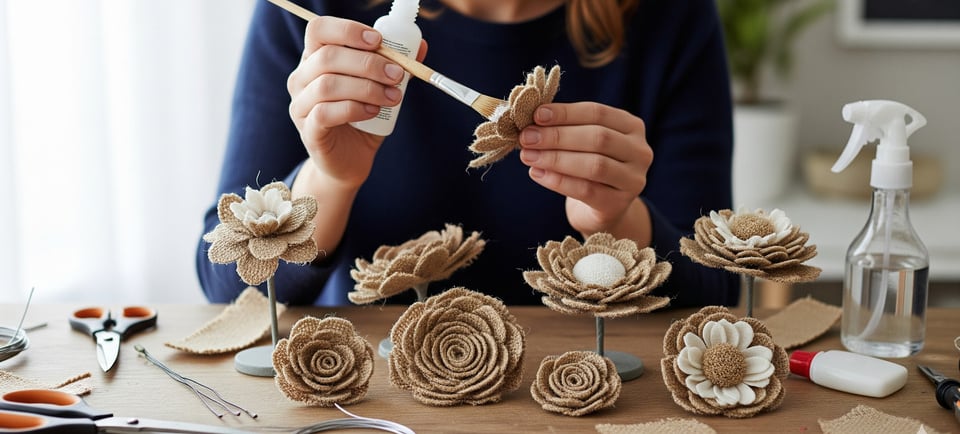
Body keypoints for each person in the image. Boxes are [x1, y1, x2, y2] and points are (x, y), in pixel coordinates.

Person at [197, 0, 739, 307]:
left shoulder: (673, 17)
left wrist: (619, 220)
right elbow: (224, 281)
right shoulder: (316, 13)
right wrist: (328, 182)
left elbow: (716, 286)